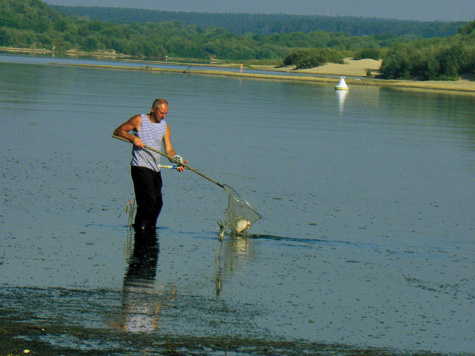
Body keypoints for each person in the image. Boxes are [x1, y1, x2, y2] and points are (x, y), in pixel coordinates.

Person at [113, 98, 187, 232]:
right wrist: (134, 138)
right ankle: (139, 230)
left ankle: (149, 229)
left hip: (154, 168)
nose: (163, 116)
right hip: (139, 167)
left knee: (158, 203)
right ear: (153, 110)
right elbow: (118, 131)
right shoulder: (139, 120)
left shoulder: (165, 126)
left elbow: (169, 150)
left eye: (165, 113)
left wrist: (177, 161)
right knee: (148, 200)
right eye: (161, 113)